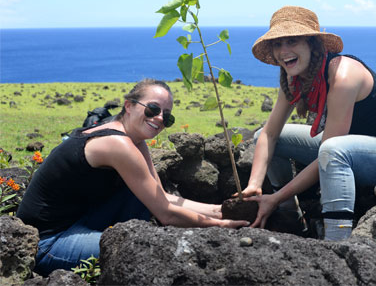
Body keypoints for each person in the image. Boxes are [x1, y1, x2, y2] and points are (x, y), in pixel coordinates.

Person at [17, 78, 249, 276]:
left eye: (166, 117)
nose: (159, 119)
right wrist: (220, 227)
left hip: (78, 221)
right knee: (149, 250)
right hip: (45, 243)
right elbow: (166, 214)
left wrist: (220, 209)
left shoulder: (131, 137)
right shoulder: (118, 144)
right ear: (129, 105)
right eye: (152, 109)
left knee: (140, 193)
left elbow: (163, 198)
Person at [241, 6, 376, 241]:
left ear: (313, 44)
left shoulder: (343, 75)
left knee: (332, 150)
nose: (283, 51)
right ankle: (291, 218)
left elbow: (328, 152)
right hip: (343, 148)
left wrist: (274, 198)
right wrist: (254, 187)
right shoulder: (293, 78)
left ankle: (336, 244)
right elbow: (270, 134)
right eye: (277, 44)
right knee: (261, 136)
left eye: (292, 41)